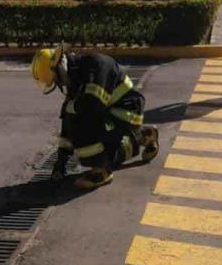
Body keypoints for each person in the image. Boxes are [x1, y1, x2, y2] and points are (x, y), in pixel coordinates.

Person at [31, 48, 160, 190]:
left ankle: (102, 171)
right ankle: (144, 134)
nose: (60, 84)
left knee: (84, 128)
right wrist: (61, 162)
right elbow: (68, 118)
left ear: (59, 65)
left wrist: (71, 110)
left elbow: (92, 110)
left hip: (127, 112)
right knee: (75, 117)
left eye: (57, 79)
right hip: (112, 112)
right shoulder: (75, 73)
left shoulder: (98, 66)